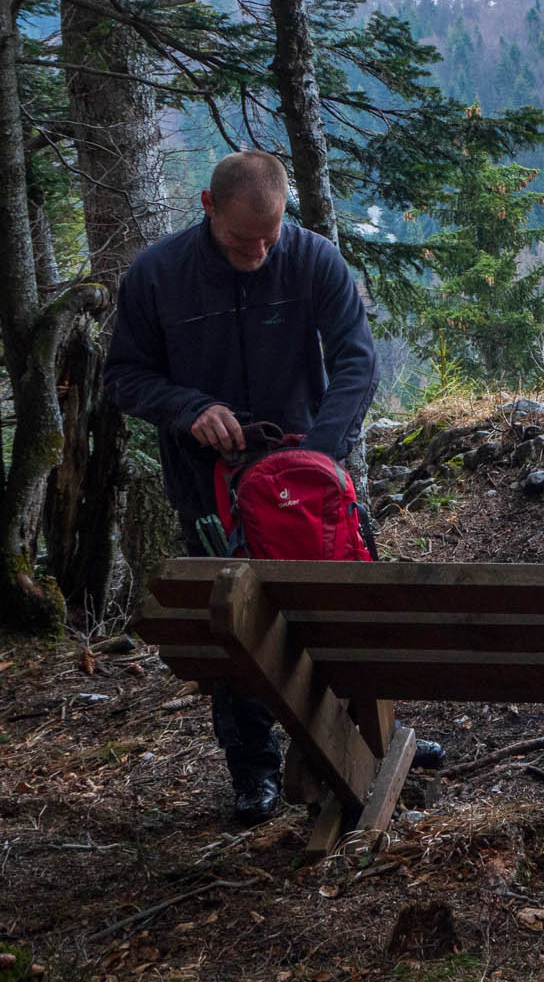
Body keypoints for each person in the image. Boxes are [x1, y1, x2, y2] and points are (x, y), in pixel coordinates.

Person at [105, 150, 389, 825]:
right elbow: (124, 375)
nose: (259, 252)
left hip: (310, 472)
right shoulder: (157, 277)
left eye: (271, 236)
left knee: (348, 598)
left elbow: (357, 358)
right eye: (241, 239)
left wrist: (320, 457)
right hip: (210, 485)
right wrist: (188, 407)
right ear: (208, 207)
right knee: (234, 624)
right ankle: (254, 771)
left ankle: (364, 743)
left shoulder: (313, 259)